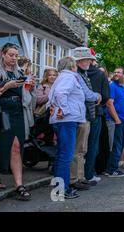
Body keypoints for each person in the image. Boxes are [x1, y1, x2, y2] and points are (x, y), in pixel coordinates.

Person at [0, 43, 32, 200]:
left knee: (17, 147)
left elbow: (25, 96)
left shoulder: (19, 72)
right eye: (11, 55)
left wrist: (28, 88)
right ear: (3, 54)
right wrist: (6, 86)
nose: (14, 58)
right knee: (0, 147)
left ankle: (19, 185)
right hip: (2, 111)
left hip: (17, 111)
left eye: (16, 55)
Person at [48, 56, 87, 199]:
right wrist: (65, 110)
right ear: (72, 66)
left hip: (63, 119)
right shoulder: (69, 77)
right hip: (67, 119)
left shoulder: (62, 77)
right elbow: (60, 94)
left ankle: (58, 187)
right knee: (66, 154)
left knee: (62, 154)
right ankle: (62, 189)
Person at [69, 47, 101, 190]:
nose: (90, 61)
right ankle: (74, 179)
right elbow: (87, 95)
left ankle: (80, 177)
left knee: (82, 149)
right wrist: (98, 96)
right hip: (80, 115)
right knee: (77, 149)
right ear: (80, 61)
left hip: (85, 114)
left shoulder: (83, 74)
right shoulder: (77, 75)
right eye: (87, 59)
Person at [84, 57, 110, 183]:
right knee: (93, 144)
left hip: (79, 112)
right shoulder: (100, 74)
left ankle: (78, 175)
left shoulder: (76, 73)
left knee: (78, 146)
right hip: (96, 111)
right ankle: (89, 173)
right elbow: (105, 96)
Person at [105, 67, 124, 177]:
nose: (116, 73)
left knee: (121, 145)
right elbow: (109, 104)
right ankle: (112, 169)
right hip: (117, 120)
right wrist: (117, 119)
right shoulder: (112, 86)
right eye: (115, 72)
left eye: (119, 72)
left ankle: (112, 168)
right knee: (116, 146)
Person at [17, 57, 37, 141]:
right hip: (21, 105)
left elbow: (32, 94)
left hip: (26, 104)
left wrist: (32, 87)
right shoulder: (19, 75)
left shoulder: (28, 76)